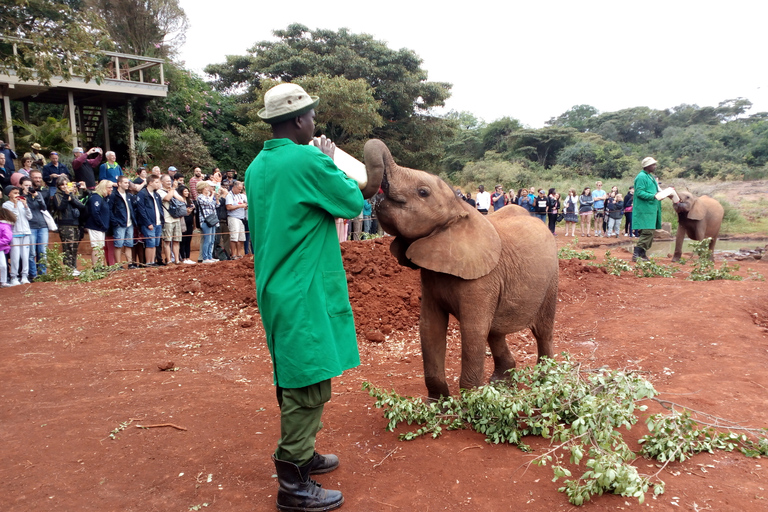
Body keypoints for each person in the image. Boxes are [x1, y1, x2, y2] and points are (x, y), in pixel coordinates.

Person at [244, 82, 363, 511]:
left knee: (291, 372)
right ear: (298, 120)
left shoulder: (258, 165)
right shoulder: (309, 158)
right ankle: (292, 481)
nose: (315, 123)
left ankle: (304, 451)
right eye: (311, 115)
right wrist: (329, 161)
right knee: (307, 379)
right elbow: (351, 202)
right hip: (301, 288)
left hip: (276, 287)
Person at [50, 177, 87, 274]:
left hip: (75, 223)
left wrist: (71, 199)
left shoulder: (71, 194)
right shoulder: (57, 195)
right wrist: (66, 196)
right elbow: (61, 207)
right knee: (68, 247)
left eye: (66, 184)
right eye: (62, 185)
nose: (65, 186)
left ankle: (73, 267)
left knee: (74, 246)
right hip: (65, 224)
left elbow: (81, 206)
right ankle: (68, 268)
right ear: (58, 186)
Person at [632, 157, 662, 261]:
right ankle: (637, 254)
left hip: (651, 208)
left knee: (650, 231)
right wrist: (653, 196)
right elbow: (639, 192)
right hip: (644, 208)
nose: (655, 166)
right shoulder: (641, 177)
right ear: (647, 166)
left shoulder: (650, 177)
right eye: (653, 164)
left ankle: (642, 253)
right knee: (647, 231)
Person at [2, 185, 33, 285]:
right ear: (9, 194)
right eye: (14, 193)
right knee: (15, 256)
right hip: (15, 233)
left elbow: (30, 217)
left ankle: (24, 276)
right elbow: (12, 219)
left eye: (18, 193)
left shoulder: (22, 203)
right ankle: (14, 277)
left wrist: (26, 206)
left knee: (25, 256)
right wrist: (15, 205)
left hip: (26, 233)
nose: (17, 195)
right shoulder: (6, 205)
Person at [20, 174, 49, 279]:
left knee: (43, 251)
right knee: (31, 252)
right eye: (26, 185)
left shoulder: (38, 194)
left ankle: (43, 274)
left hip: (42, 225)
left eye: (29, 185)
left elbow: (44, 207)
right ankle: (33, 274)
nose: (28, 187)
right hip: (30, 226)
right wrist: (25, 196)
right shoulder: (20, 197)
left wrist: (36, 196)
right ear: (21, 186)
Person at [135, 175, 164, 267]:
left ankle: (153, 261)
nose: (158, 184)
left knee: (155, 243)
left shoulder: (156, 194)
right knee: (150, 242)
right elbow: (141, 210)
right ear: (150, 183)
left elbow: (160, 208)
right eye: (156, 182)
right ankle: (148, 262)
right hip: (149, 223)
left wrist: (161, 220)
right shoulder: (142, 194)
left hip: (158, 222)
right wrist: (147, 223)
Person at [157, 174, 185, 265]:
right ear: (162, 182)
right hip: (167, 219)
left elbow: (182, 199)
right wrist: (173, 189)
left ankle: (176, 259)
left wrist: (173, 191)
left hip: (176, 218)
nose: (169, 183)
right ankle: (168, 260)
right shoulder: (159, 191)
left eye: (170, 181)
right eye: (167, 181)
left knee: (176, 240)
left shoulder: (172, 190)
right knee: (167, 241)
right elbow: (167, 198)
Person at [110, 176, 137, 268]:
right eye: (125, 182)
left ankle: (130, 263)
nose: (127, 184)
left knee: (129, 244)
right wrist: (115, 222)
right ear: (119, 183)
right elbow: (110, 210)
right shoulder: (114, 195)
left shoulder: (129, 195)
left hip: (129, 223)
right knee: (118, 245)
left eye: (128, 182)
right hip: (119, 224)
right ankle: (118, 265)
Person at [85, 180, 112, 268]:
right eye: (109, 187)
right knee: (96, 247)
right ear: (103, 188)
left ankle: (100, 265)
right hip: (95, 226)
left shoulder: (102, 198)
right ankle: (96, 267)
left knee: (100, 247)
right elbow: (95, 213)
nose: (111, 189)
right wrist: (101, 224)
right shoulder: (96, 197)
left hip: (101, 227)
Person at [196, 181, 218, 263]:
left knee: (212, 240)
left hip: (212, 220)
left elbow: (216, 205)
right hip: (205, 221)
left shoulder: (208, 197)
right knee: (207, 239)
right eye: (206, 187)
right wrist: (212, 195)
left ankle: (210, 256)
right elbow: (209, 203)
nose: (208, 189)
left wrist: (216, 197)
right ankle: (205, 257)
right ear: (202, 189)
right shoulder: (200, 197)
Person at [225, 181, 247, 259]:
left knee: (241, 237)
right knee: (234, 236)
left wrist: (245, 206)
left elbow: (247, 203)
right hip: (233, 217)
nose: (240, 191)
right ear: (234, 187)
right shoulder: (229, 195)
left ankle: (239, 253)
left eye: (241, 189)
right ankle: (233, 254)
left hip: (241, 218)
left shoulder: (241, 195)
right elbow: (228, 207)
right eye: (238, 189)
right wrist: (240, 206)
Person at [177, 185, 196, 264]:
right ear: (181, 192)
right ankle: (183, 258)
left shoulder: (190, 201)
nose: (187, 193)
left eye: (187, 191)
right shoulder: (179, 201)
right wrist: (187, 210)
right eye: (185, 191)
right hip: (182, 222)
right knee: (183, 241)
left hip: (190, 222)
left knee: (188, 240)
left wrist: (194, 224)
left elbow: (193, 214)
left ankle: (188, 257)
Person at [0, 206, 15, 287]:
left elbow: (7, 238)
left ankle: (3, 281)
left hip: (0, 249)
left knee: (3, 265)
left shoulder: (4, 226)